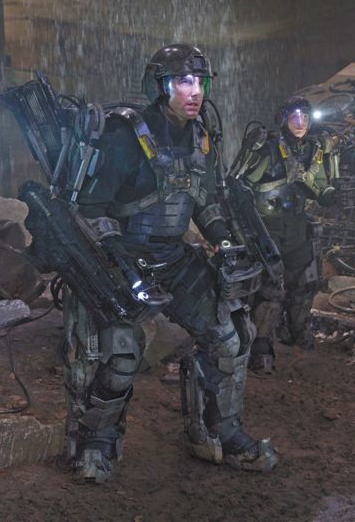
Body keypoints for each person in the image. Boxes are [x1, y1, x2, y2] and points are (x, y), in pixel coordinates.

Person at [62, 43, 278, 482]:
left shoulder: (201, 138)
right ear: (160, 86)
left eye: (200, 82)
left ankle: (220, 432)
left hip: (173, 259)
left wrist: (223, 242)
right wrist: (116, 257)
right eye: (183, 81)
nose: (195, 91)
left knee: (230, 334)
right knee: (121, 351)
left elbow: (206, 201)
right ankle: (96, 442)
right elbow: (90, 208)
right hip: (119, 260)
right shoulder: (125, 136)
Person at [240, 96, 338, 372]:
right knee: (270, 289)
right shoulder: (268, 149)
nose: (300, 122)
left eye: (304, 117)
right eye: (294, 116)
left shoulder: (313, 151)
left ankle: (297, 331)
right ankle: (261, 347)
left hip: (297, 225)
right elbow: (243, 185)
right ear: (283, 119)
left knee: (305, 283)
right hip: (268, 228)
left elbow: (320, 186)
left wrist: (329, 194)